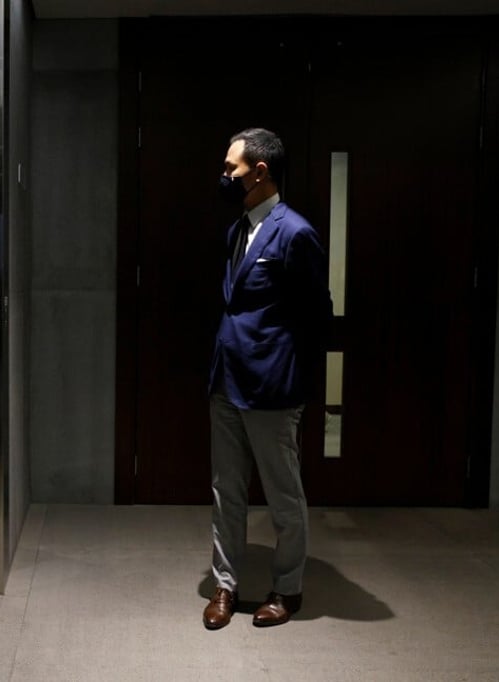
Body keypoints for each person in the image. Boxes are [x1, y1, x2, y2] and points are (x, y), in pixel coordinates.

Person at [203, 127, 332, 629]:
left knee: (283, 495)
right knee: (225, 491)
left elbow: (316, 317)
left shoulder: (296, 232)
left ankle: (287, 588)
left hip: (273, 389)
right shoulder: (236, 230)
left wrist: (293, 380)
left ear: (260, 172)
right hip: (226, 382)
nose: (224, 176)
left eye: (231, 168)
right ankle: (226, 586)